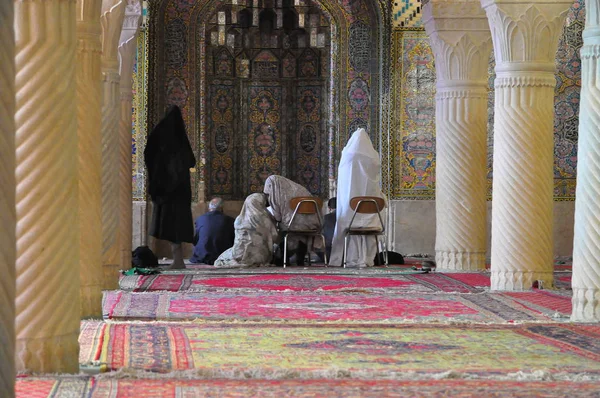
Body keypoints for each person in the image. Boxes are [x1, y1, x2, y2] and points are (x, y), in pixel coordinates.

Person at [144, 105, 196, 270]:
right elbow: (191, 161)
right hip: (179, 192)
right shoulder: (180, 141)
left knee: (171, 226)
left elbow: (149, 153)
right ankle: (178, 260)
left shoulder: (162, 138)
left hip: (168, 192)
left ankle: (178, 261)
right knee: (176, 226)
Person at [329, 128, 386, 267]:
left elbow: (344, 184)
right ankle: (367, 258)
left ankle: (345, 258)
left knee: (348, 217)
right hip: (372, 220)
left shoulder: (348, 156)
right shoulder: (373, 158)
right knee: (377, 209)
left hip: (350, 216)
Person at [263, 175, 321, 266]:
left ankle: (283, 259)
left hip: (292, 225)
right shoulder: (301, 189)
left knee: (280, 228)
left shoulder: (276, 192)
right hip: (312, 224)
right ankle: (300, 259)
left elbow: (278, 217)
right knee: (300, 232)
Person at [214, 193, 279, 268]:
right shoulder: (265, 218)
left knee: (223, 257)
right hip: (261, 256)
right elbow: (275, 236)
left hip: (240, 254)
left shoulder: (239, 219)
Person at [189, 197, 235, 265]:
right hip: (222, 256)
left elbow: (196, 239)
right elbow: (233, 240)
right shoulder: (230, 220)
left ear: (209, 208)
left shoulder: (200, 219)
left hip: (202, 257)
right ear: (222, 208)